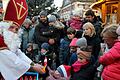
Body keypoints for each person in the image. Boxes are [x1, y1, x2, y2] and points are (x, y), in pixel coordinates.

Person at [0, 0, 45, 80]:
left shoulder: (8, 39)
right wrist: (32, 68)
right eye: (11, 27)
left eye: (17, 29)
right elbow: (13, 60)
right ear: (4, 27)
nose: (14, 31)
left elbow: (18, 53)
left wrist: (32, 63)